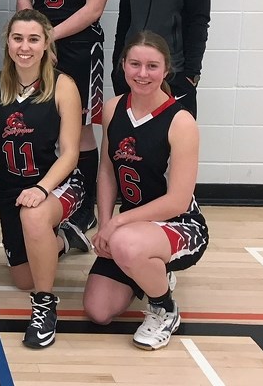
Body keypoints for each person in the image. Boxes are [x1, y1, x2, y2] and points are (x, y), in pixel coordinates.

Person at [83, 31, 208, 350]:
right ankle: (152, 270)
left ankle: (165, 309)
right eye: (135, 64)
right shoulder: (113, 108)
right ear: (123, 65)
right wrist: (104, 220)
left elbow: (177, 200)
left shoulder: (180, 122)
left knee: (125, 243)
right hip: (133, 226)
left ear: (166, 70)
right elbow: (108, 172)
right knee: (99, 311)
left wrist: (117, 225)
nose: (142, 73)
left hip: (180, 225)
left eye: (152, 66)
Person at [0, 9, 86, 349]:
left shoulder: (63, 86)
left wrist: (41, 189)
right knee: (23, 277)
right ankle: (66, 241)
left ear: (46, 44)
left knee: (34, 217)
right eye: (18, 38)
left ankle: (45, 306)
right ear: (7, 42)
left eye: (34, 39)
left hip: (56, 182)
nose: (25, 47)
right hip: (10, 188)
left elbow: (70, 152)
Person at [17, 0, 114, 235]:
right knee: (42, 121)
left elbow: (93, 9)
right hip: (39, 47)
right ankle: (54, 194)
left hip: (78, 47)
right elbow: (24, 1)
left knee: (83, 126)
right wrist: (33, 39)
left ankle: (85, 206)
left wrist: (49, 38)